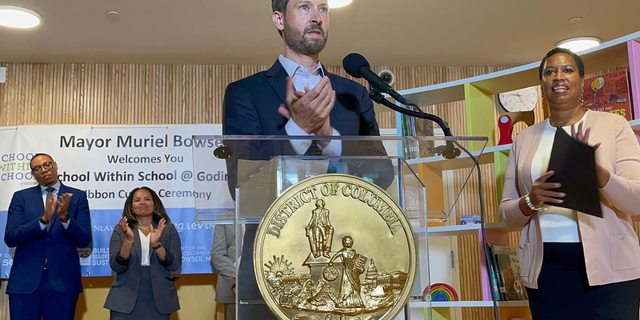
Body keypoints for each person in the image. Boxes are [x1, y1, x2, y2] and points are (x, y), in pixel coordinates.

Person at [221, 0, 389, 319]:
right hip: (272, 265)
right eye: (304, 7)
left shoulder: (354, 94)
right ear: (279, 19)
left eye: (324, 9)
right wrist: (297, 130)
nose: (317, 17)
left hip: (348, 268)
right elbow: (243, 185)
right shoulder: (245, 93)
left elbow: (382, 173)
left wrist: (331, 143)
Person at [499, 47, 640, 320]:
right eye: (549, 72)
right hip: (546, 268)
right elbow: (507, 215)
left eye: (567, 70)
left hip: (612, 267)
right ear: (542, 85)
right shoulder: (524, 139)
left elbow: (636, 203)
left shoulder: (613, 126)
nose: (558, 76)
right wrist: (531, 200)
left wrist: (601, 176)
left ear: (581, 80)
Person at [4, 153, 92, 320]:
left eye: (47, 165)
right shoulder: (21, 197)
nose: (43, 170)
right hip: (25, 282)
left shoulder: (77, 196)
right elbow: (10, 236)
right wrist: (42, 220)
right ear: (33, 174)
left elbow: (84, 239)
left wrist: (65, 218)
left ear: (55, 165)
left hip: (63, 282)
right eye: (37, 168)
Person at [104, 187, 182, 319]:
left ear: (154, 204)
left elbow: (174, 264)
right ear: (131, 207)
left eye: (147, 199)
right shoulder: (120, 229)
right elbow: (116, 266)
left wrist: (156, 244)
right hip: (124, 299)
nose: (142, 202)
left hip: (159, 299)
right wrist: (129, 240)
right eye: (137, 200)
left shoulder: (168, 229)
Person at [211, 224, 238, 320]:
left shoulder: (261, 215)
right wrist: (238, 277)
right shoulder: (224, 218)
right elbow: (217, 254)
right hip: (232, 284)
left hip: (260, 285)